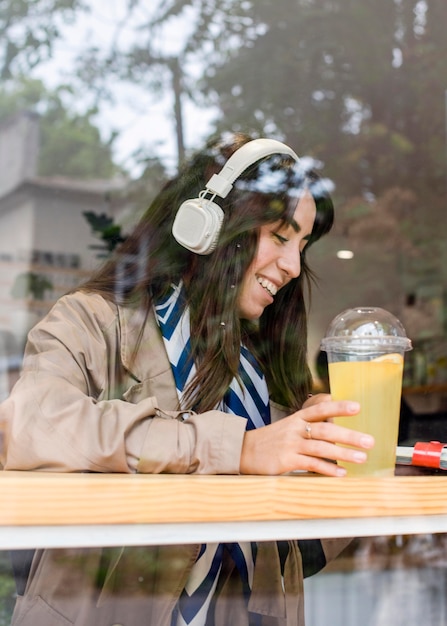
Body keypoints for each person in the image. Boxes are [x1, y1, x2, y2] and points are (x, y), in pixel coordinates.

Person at [0, 132, 374, 626]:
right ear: (208, 224)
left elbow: (296, 554)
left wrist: (360, 472)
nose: (291, 266)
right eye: (280, 237)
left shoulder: (271, 370)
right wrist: (237, 450)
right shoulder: (93, 322)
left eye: (300, 247)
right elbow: (27, 426)